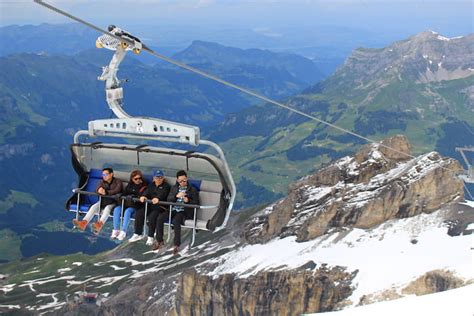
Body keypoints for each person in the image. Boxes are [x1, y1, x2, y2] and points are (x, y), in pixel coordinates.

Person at [153, 170, 199, 255]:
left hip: (183, 211)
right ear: (177, 180)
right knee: (160, 218)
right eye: (180, 181)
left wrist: (187, 201)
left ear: (187, 179)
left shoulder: (192, 190)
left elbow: (196, 203)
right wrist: (176, 196)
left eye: (184, 180)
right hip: (173, 209)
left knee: (176, 221)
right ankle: (160, 241)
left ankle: (177, 244)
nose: (182, 182)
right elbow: (169, 199)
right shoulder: (174, 188)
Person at [73, 167, 122, 234]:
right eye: (103, 175)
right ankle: (84, 222)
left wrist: (106, 192)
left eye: (106, 174)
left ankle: (100, 224)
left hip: (113, 202)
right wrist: (99, 190)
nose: (104, 176)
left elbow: (117, 190)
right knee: (93, 207)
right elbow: (97, 189)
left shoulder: (117, 182)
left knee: (107, 209)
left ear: (111, 174)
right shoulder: (102, 182)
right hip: (103, 201)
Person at [129, 170, 170, 245]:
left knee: (152, 217)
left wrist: (158, 198)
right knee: (139, 213)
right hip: (150, 205)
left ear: (163, 178)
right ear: (153, 178)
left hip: (160, 207)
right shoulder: (151, 185)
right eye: (156, 177)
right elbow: (147, 192)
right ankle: (137, 233)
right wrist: (143, 196)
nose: (158, 179)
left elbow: (163, 194)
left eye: (160, 177)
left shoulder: (166, 186)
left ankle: (150, 236)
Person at [110, 170, 147, 241]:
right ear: (132, 179)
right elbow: (125, 193)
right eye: (136, 179)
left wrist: (134, 197)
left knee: (127, 212)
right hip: (126, 203)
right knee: (117, 209)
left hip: (135, 205)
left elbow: (143, 195)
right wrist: (121, 196)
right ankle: (116, 230)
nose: (138, 180)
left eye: (139, 178)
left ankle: (123, 231)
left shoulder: (144, 186)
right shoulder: (130, 185)